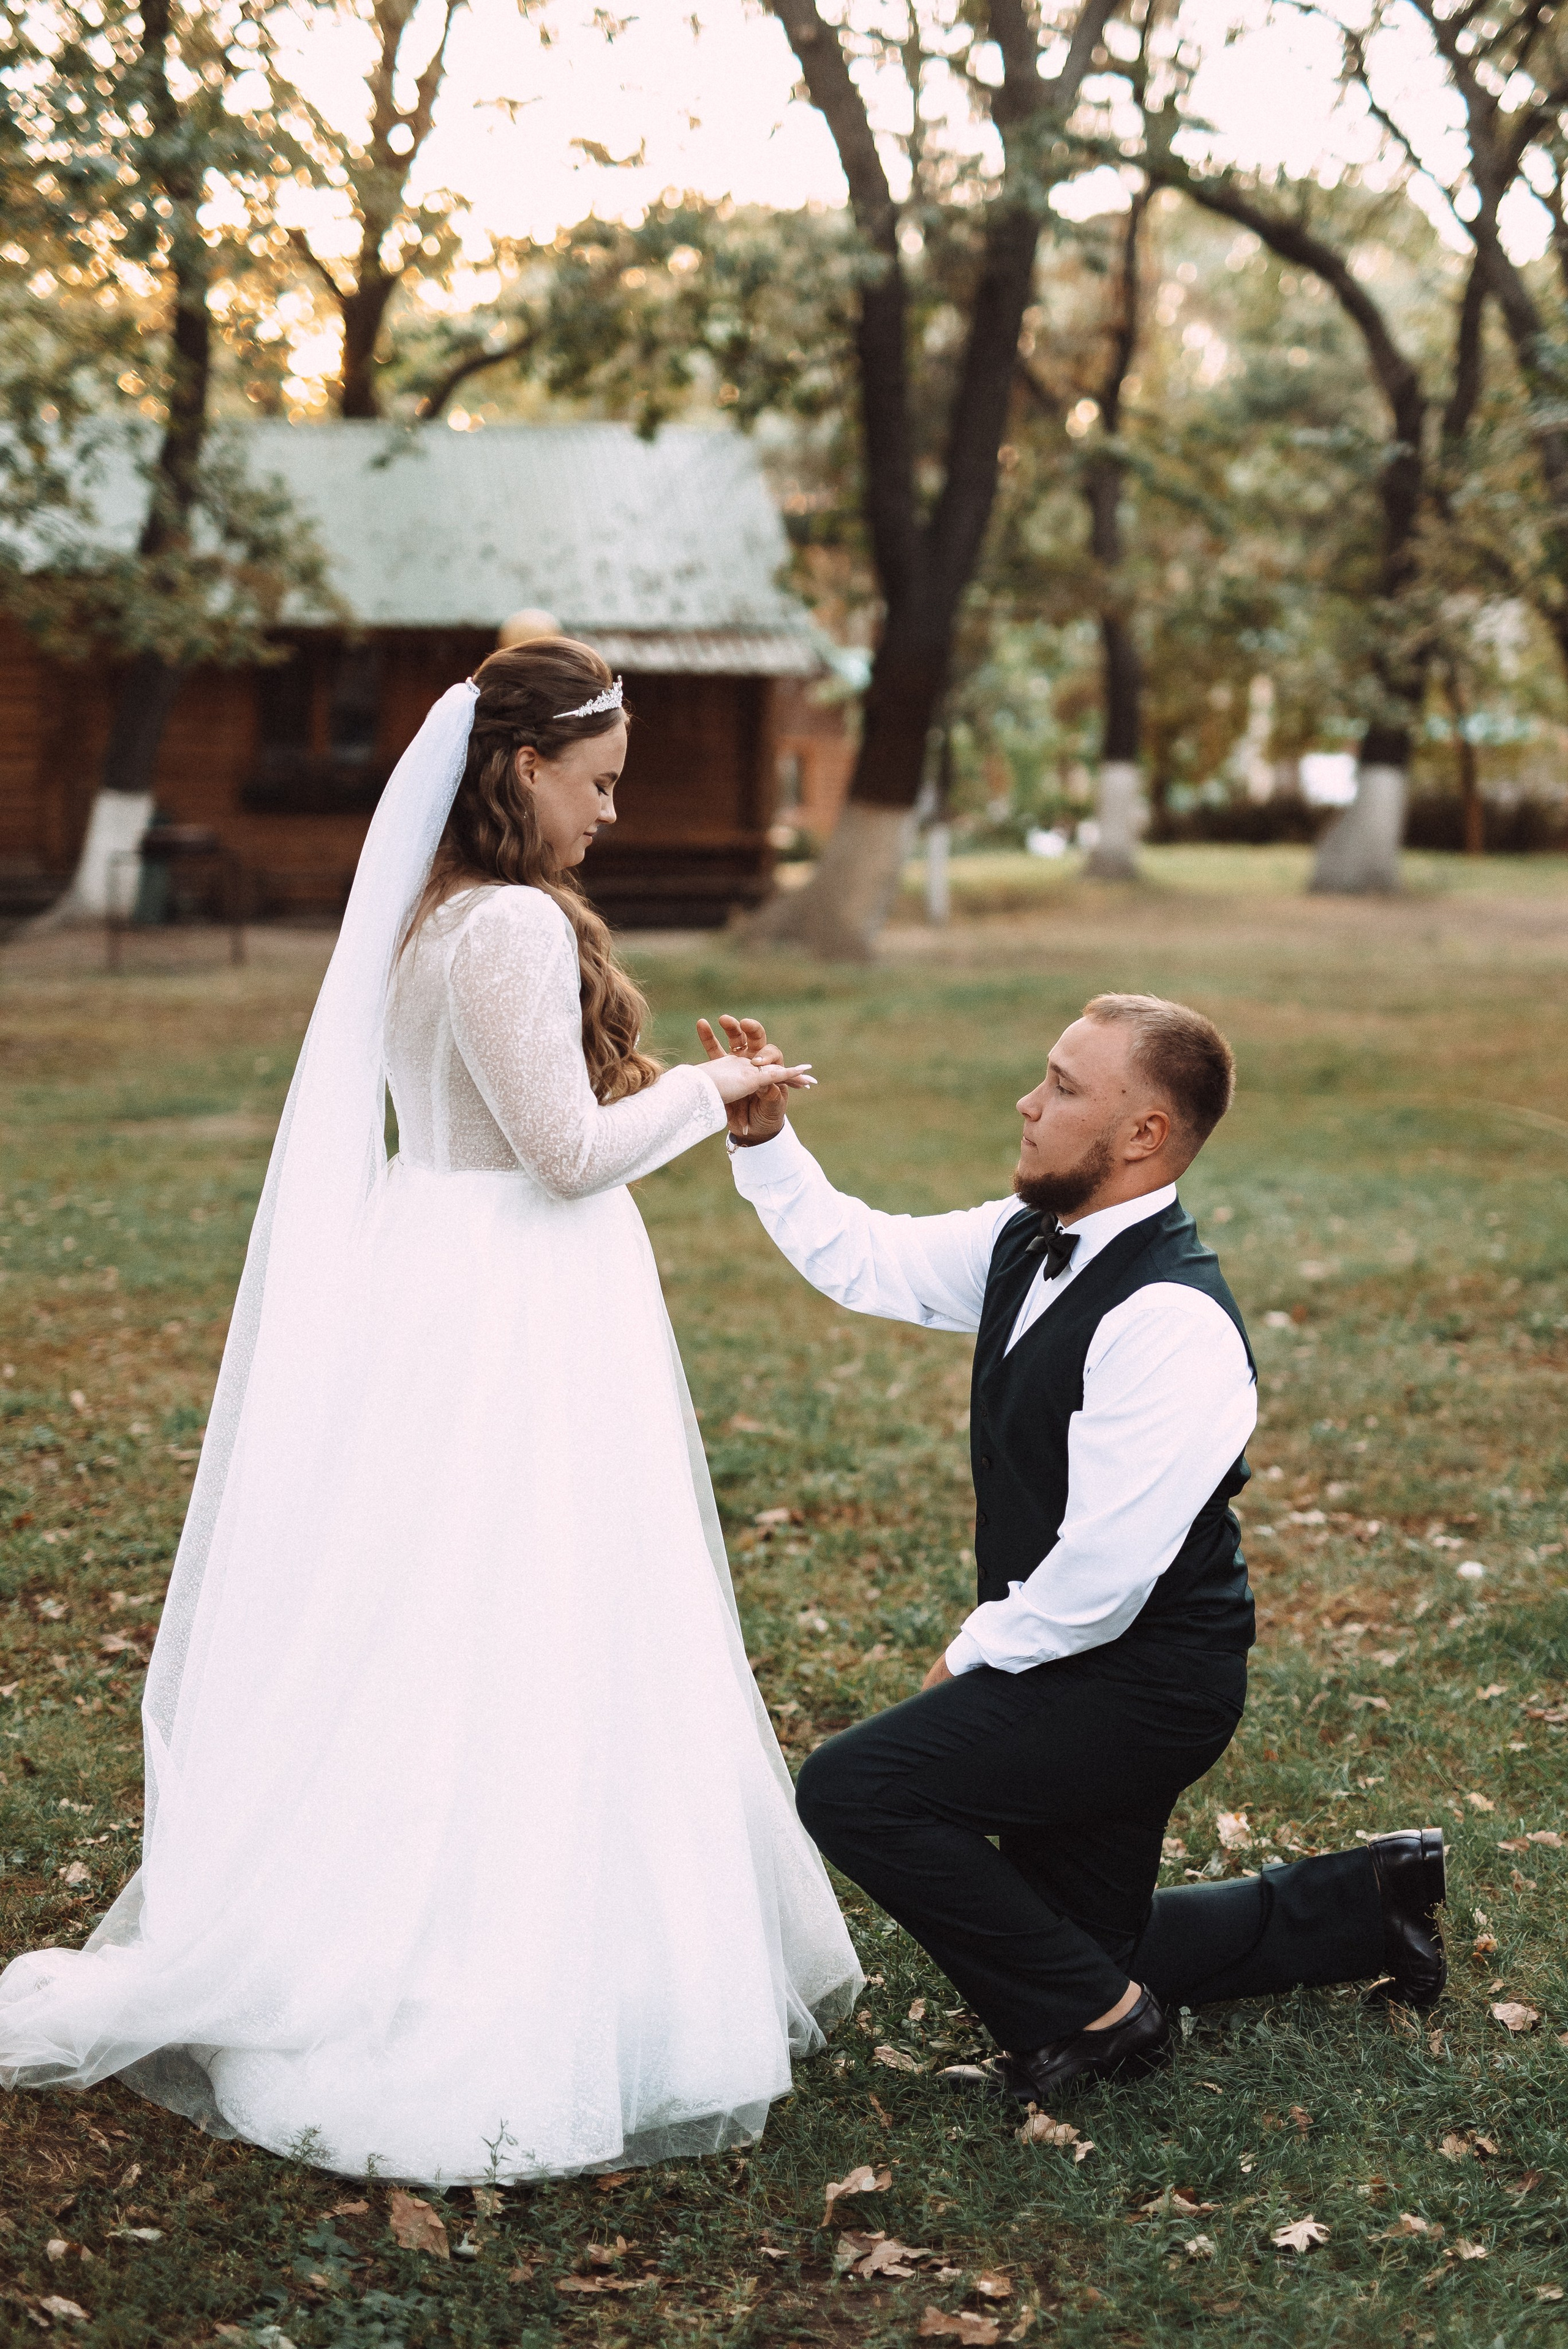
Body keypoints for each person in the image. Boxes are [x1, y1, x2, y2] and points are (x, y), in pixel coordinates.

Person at [0, 640, 861, 2183]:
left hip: (442, 1275)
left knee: (437, 1611)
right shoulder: (515, 924)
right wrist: (712, 1098)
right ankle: (494, 1972)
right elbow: (562, 1153)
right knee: (521, 1610)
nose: (611, 812)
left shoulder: (432, 917)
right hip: (512, 1303)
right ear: (521, 770)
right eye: (595, 784)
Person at [705, 994, 1445, 2108]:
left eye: (1061, 1085)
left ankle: (1105, 2031)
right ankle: (1373, 1899)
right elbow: (868, 1259)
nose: (1027, 1101)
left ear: (1143, 1134)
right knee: (1086, 1939)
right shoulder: (1027, 1240)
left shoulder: (1170, 1321)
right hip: (1085, 1658)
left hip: (1144, 1680)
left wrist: (977, 1653)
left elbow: (1104, 1577)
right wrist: (766, 1145)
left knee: (859, 1791)